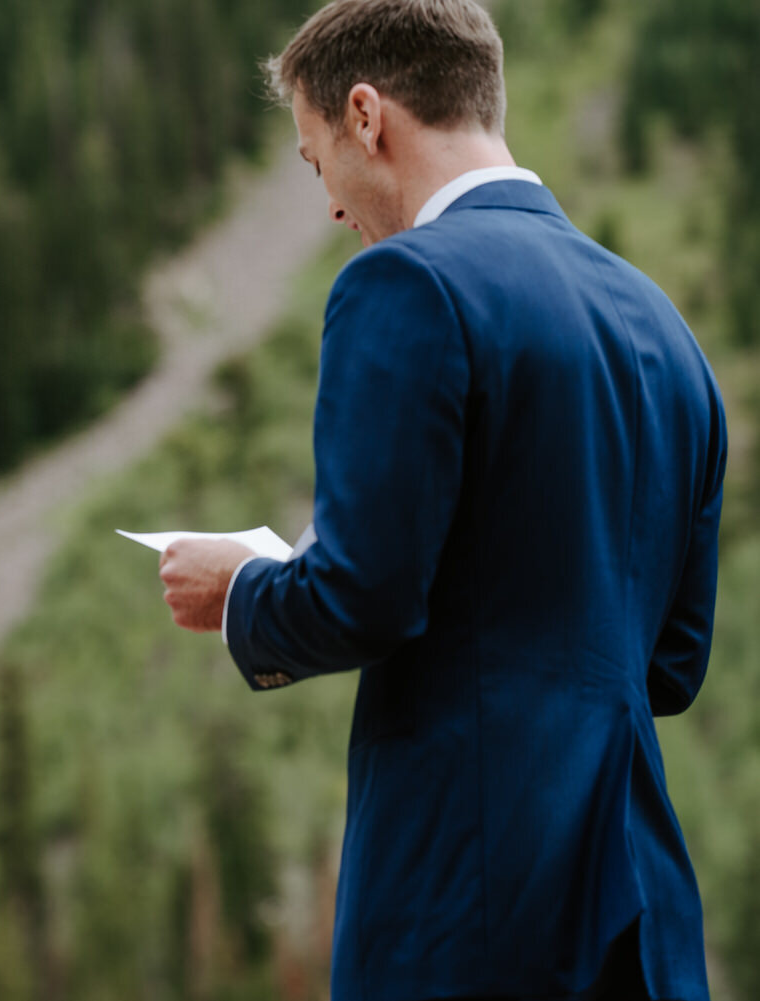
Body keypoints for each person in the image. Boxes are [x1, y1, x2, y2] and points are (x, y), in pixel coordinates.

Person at [156, 2, 726, 999]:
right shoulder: (667, 330)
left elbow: (365, 597)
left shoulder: (406, 284)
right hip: (637, 898)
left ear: (367, 116)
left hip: (464, 889)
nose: (330, 203)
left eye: (312, 157)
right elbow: (673, 660)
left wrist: (243, 590)